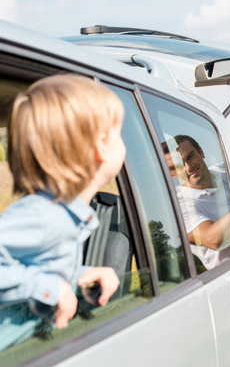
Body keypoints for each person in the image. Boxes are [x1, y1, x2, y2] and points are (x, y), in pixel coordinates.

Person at [0, 74, 125, 350]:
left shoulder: (62, 216)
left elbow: (34, 266)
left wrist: (80, 274)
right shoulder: (44, 216)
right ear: (102, 146)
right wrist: (50, 289)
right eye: (120, 133)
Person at [170, 135, 230, 270]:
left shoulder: (225, 170)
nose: (188, 167)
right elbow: (213, 240)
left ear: (201, 152)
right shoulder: (179, 204)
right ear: (173, 173)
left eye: (191, 157)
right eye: (179, 166)